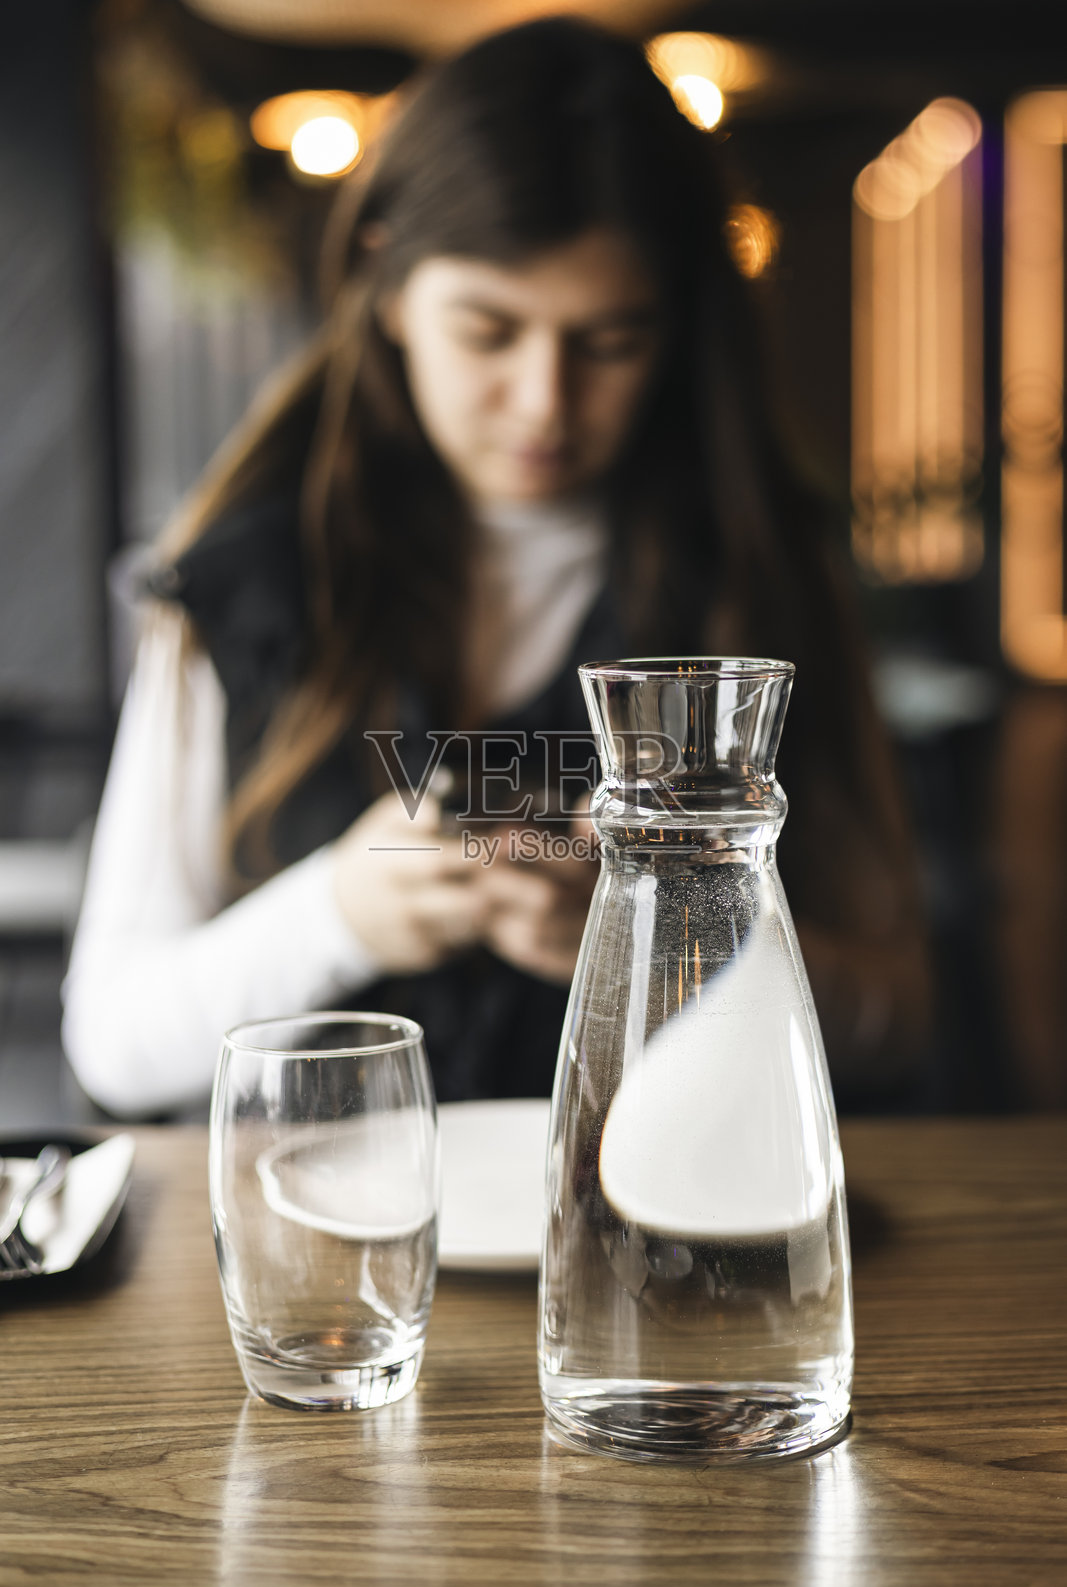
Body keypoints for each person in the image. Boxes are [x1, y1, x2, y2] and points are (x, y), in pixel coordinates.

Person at [62, 18, 930, 1120]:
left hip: (659, 1262)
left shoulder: (762, 572)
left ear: (676, 328)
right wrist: (336, 914)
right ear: (383, 283)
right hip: (332, 1271)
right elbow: (112, 1042)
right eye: (486, 331)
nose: (544, 405)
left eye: (607, 342)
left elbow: (896, 1012)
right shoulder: (242, 579)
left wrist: (666, 959)